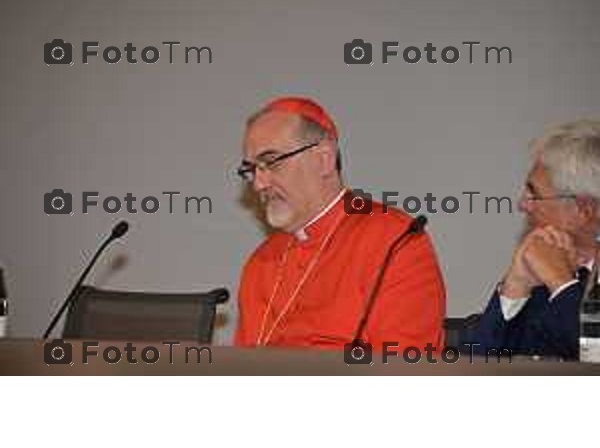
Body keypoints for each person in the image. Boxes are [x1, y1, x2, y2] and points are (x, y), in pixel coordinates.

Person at [234, 96, 446, 351]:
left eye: (271, 162)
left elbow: (405, 372)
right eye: (252, 169)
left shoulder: (394, 241)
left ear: (324, 159)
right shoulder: (261, 262)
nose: (259, 184)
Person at [471, 120, 600, 359]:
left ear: (584, 209)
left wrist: (561, 284)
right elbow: (472, 369)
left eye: (535, 194)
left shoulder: (555, 276)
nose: (522, 204)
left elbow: (594, 358)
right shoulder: (543, 267)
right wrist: (515, 287)